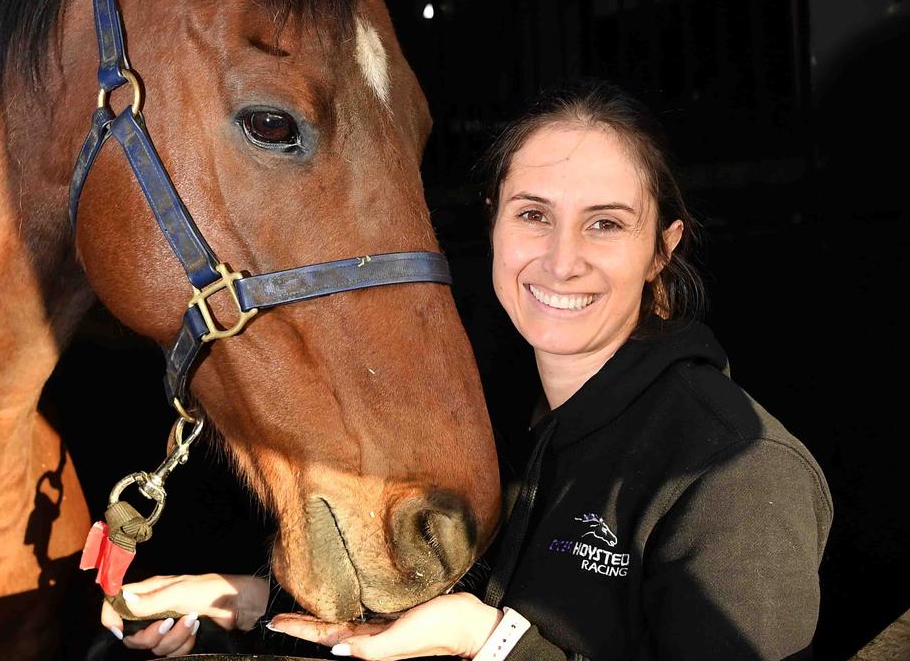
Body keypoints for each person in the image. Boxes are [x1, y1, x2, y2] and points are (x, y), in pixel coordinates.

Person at [101, 79, 833, 660]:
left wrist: (490, 643)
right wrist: (241, 607)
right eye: (533, 214)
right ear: (493, 224)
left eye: (605, 223)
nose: (561, 258)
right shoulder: (509, 420)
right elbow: (429, 619)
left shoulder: (738, 474)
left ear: (662, 249)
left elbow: (481, 631)